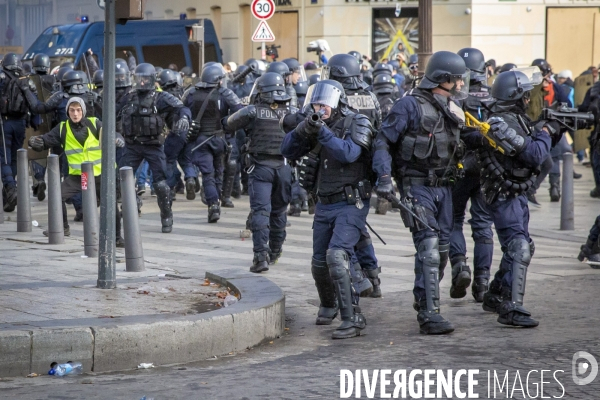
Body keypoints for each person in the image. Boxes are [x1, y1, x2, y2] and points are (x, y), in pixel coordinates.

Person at [373, 51, 484, 334]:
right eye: (457, 80)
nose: (461, 85)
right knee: (429, 248)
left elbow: (465, 135)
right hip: (416, 185)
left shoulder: (453, 107)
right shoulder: (408, 106)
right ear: (443, 79)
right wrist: (384, 177)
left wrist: (488, 133)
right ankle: (429, 314)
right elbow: (383, 141)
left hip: (445, 187)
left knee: (442, 251)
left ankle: (423, 295)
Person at [281, 79, 375, 339]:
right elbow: (286, 150)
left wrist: (321, 131)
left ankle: (353, 317)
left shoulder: (356, 122)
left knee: (337, 256)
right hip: (324, 202)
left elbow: (348, 153)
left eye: (324, 105)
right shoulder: (315, 125)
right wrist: (303, 129)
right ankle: (328, 304)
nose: (319, 109)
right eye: (316, 104)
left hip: (351, 202)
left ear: (337, 103)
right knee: (319, 262)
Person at [479, 70, 562, 328]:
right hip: (504, 195)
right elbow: (534, 154)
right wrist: (546, 131)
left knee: (523, 245)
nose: (529, 99)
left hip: (515, 194)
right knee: (519, 248)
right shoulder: (501, 123)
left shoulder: (515, 120)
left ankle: (495, 294)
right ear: (515, 96)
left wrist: (551, 128)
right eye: (525, 95)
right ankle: (511, 308)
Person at [224, 72, 295, 272]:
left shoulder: (252, 111)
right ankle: (275, 251)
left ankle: (260, 258)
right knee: (279, 211)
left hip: (261, 167)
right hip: (284, 167)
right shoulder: (292, 113)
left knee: (261, 212)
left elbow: (228, 123)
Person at [28, 97, 124, 244]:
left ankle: (117, 238)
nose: (75, 113)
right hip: (78, 176)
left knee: (110, 203)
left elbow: (111, 134)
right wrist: (35, 142)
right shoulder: (62, 128)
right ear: (67, 111)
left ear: (83, 111)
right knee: (56, 195)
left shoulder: (94, 123)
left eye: (78, 110)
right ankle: (62, 228)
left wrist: (117, 138)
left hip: (100, 175)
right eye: (72, 110)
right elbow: (46, 140)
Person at [116, 63, 191, 233]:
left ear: (151, 80)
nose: (141, 83)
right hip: (132, 145)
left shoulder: (161, 97)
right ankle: (133, 205)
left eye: (145, 79)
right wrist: (116, 135)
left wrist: (184, 119)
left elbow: (182, 108)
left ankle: (166, 215)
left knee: (161, 185)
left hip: (153, 146)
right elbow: (112, 114)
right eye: (139, 79)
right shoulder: (128, 97)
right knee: (122, 179)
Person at [451, 48, 495, 302]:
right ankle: (482, 283)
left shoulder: (454, 96)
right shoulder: (495, 96)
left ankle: (459, 266)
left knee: (454, 220)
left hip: (458, 168)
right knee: (482, 225)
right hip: (487, 170)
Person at [184, 63, 242, 219]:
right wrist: (229, 127)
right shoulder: (225, 93)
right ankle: (217, 199)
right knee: (218, 172)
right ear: (218, 80)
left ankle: (213, 205)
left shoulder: (190, 93)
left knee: (208, 175)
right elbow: (239, 113)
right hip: (219, 139)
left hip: (200, 140)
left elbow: (181, 113)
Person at [0, 53, 38, 211]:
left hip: (5, 122)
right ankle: (10, 193)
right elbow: (34, 101)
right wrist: (36, 121)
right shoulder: (26, 79)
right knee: (15, 158)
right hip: (21, 123)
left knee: (4, 158)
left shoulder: (1, 77)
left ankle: (10, 187)